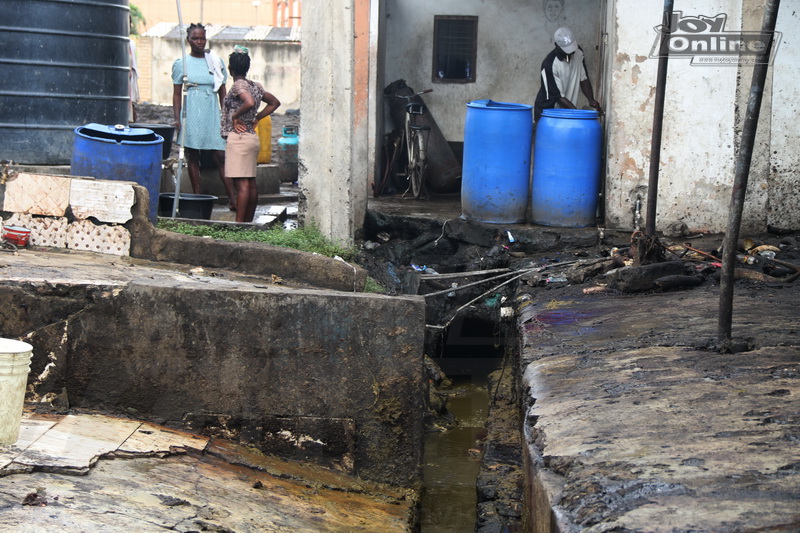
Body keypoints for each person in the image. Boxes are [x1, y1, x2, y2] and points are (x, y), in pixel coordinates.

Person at [172, 23, 236, 206]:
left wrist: (226, 115)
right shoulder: (181, 63)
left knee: (220, 155)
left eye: (202, 38)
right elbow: (177, 94)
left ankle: (232, 198)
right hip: (191, 111)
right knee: (193, 155)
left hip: (211, 111)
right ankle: (198, 197)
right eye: (195, 38)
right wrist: (176, 118)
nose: (199, 42)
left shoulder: (215, 61)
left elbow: (223, 91)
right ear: (188, 40)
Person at [221, 45, 281, 223]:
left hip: (239, 138)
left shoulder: (238, 85)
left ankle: (240, 224)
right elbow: (274, 102)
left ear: (230, 69)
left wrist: (235, 116)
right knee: (250, 183)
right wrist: (257, 118)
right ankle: (247, 222)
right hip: (251, 138)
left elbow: (248, 102)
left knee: (242, 184)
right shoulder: (255, 85)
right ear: (247, 67)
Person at [534, 27, 603, 122]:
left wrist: (591, 99)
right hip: (548, 114)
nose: (570, 52)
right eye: (567, 50)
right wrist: (578, 115)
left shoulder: (578, 53)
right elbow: (558, 96)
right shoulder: (549, 64)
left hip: (567, 112)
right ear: (556, 45)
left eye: (571, 48)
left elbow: (583, 78)